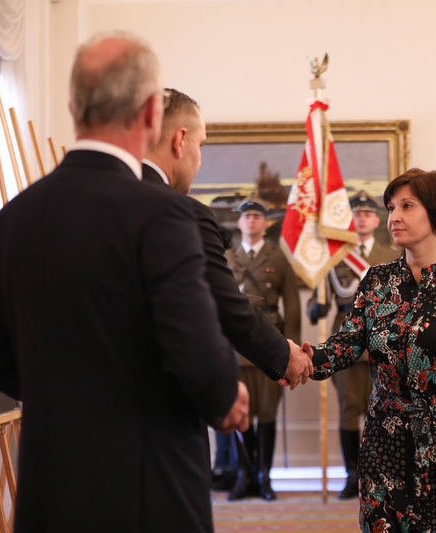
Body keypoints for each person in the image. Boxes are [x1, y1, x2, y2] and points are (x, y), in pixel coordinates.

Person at [0, 33, 248, 533]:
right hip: (149, 492)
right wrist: (225, 396)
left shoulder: (14, 218)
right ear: (149, 116)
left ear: (75, 107)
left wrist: (65, 393)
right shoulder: (164, 216)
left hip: (48, 492)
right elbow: (200, 360)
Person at [305, 168, 436, 532]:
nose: (393, 217)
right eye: (391, 207)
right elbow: (347, 345)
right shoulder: (377, 279)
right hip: (386, 448)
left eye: (407, 206)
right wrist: (301, 360)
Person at [141, 89, 312, 489]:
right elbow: (220, 304)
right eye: (200, 145)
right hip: (164, 421)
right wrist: (283, 353)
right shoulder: (183, 214)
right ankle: (241, 475)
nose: (199, 158)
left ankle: (259, 476)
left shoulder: (37, 210)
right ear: (180, 141)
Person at [306, 192, 399, 499]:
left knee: (385, 409)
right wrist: (314, 308)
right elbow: (318, 296)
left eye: (367, 213)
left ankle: (382, 473)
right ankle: (352, 474)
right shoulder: (335, 256)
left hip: (383, 340)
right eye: (355, 214)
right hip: (345, 339)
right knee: (349, 409)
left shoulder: (391, 253)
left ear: (377, 220)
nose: (361, 218)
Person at [225, 199, 301, 501]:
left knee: (267, 413)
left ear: (265, 223)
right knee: (241, 413)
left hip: (269, 343)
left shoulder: (278, 258)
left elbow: (292, 306)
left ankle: (263, 476)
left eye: (257, 217)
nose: (252, 222)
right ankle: (244, 475)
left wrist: (291, 351)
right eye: (247, 218)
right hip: (234, 345)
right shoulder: (226, 257)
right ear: (239, 223)